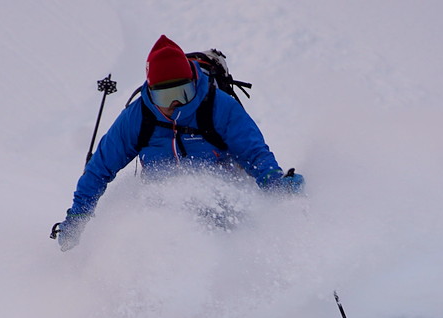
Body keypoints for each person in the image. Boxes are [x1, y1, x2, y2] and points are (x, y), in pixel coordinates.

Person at [53, 35, 304, 251]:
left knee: (233, 233)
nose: (175, 105)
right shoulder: (137, 118)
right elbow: (99, 169)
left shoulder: (220, 107)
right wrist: (77, 217)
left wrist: (273, 182)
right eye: (165, 96)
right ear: (150, 91)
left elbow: (253, 152)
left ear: (194, 83)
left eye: (183, 93)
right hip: (164, 210)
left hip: (225, 201)